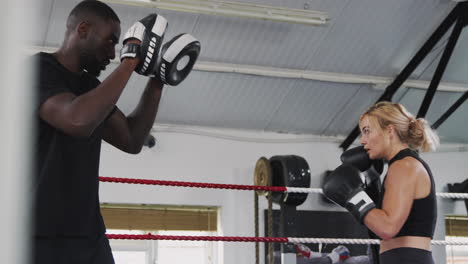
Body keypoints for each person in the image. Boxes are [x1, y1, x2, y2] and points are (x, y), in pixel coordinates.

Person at [32, 1, 199, 263]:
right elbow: (76, 120)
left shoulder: (90, 87)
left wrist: (158, 81)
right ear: (83, 29)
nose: (112, 54)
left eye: (117, 45)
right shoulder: (37, 70)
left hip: (89, 236)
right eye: (110, 41)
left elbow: (132, 139)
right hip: (35, 237)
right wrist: (130, 61)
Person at [322, 101, 439, 264]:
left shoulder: (403, 166)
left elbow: (387, 228)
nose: (363, 140)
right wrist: (372, 185)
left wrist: (352, 196)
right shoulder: (400, 166)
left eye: (367, 131)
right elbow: (380, 229)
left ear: (389, 130)